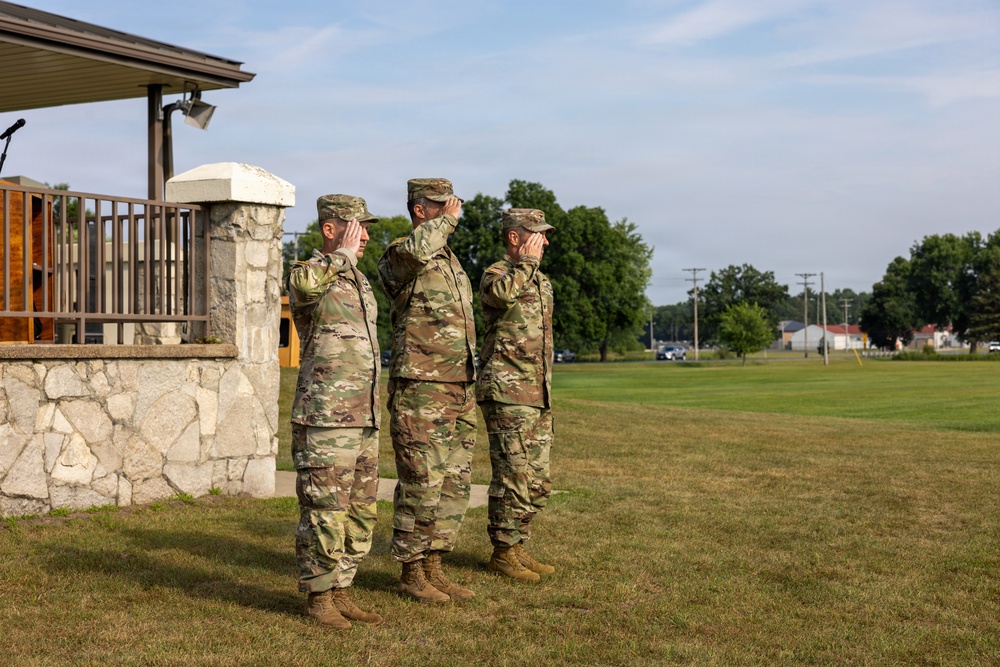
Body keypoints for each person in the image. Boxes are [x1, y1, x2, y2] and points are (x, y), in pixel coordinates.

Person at [377, 178, 477, 603]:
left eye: (452, 204)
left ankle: (434, 564)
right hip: (422, 386)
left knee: (453, 484)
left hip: (459, 385)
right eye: (441, 205)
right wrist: (447, 223)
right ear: (420, 210)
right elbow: (416, 253)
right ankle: (411, 571)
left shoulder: (451, 262)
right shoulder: (401, 254)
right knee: (421, 480)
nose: (452, 211)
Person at [286, 194, 383, 629]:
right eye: (357, 227)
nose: (364, 237)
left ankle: (342, 589)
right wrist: (340, 256)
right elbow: (305, 289)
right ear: (331, 229)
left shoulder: (359, 281)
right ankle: (319, 597)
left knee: (360, 511)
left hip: (363, 415)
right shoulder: (309, 272)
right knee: (325, 509)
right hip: (325, 415)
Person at [477, 208, 557, 582]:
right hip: (507, 390)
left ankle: (519, 543)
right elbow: (500, 296)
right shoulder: (497, 274)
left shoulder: (541, 281)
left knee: (537, 478)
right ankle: (503, 551)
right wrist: (527, 262)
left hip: (537, 390)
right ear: (515, 237)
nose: (544, 241)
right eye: (537, 234)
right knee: (513, 474)